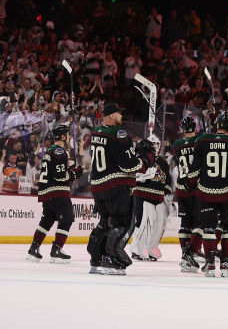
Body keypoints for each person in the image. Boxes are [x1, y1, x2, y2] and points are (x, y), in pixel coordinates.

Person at [88, 102, 154, 275]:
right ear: (110, 116)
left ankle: (96, 258)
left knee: (105, 222)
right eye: (118, 114)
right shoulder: (119, 133)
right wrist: (146, 160)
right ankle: (112, 259)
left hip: (98, 187)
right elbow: (128, 165)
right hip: (115, 186)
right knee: (122, 223)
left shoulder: (97, 132)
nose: (121, 117)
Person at [188, 110, 228, 277]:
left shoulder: (202, 140)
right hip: (227, 193)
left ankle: (209, 263)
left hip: (205, 192)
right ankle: (226, 263)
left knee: (208, 228)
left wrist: (190, 183)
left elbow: (194, 170)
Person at [27, 124, 80, 263]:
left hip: (47, 193)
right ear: (62, 136)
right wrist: (74, 173)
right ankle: (57, 249)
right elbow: (60, 176)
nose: (69, 137)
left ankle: (34, 248)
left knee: (47, 220)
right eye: (67, 134)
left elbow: (56, 171)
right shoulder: (59, 151)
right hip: (57, 192)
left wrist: (70, 169)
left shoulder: (50, 150)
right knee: (67, 219)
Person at [172, 116, 202, 272]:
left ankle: (184, 254)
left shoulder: (177, 144)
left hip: (181, 187)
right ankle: (191, 254)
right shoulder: (199, 141)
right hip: (195, 187)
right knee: (200, 223)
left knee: (185, 223)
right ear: (195, 127)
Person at [130, 152, 171, 261]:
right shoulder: (141, 157)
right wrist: (143, 175)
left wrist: (167, 191)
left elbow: (167, 178)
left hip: (158, 196)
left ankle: (150, 247)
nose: (155, 147)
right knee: (142, 221)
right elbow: (134, 174)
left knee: (158, 223)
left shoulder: (162, 161)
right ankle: (136, 248)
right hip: (142, 194)